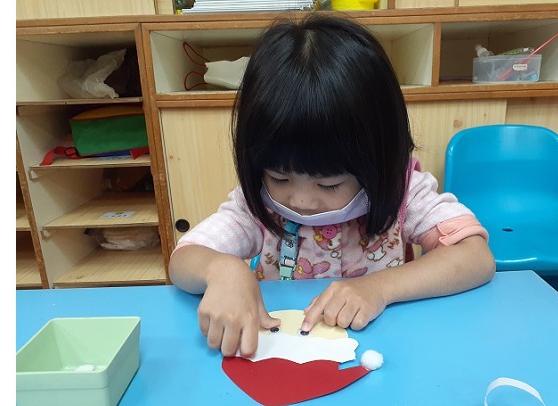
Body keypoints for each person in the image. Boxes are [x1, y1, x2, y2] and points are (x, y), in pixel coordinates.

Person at [169, 14, 495, 358]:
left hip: (383, 354)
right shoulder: (256, 205)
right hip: (283, 354)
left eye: (328, 183)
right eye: (280, 178)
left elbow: (475, 256)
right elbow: (183, 260)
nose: (301, 200)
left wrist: (379, 288)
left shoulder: (402, 191)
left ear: (377, 162)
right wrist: (221, 270)